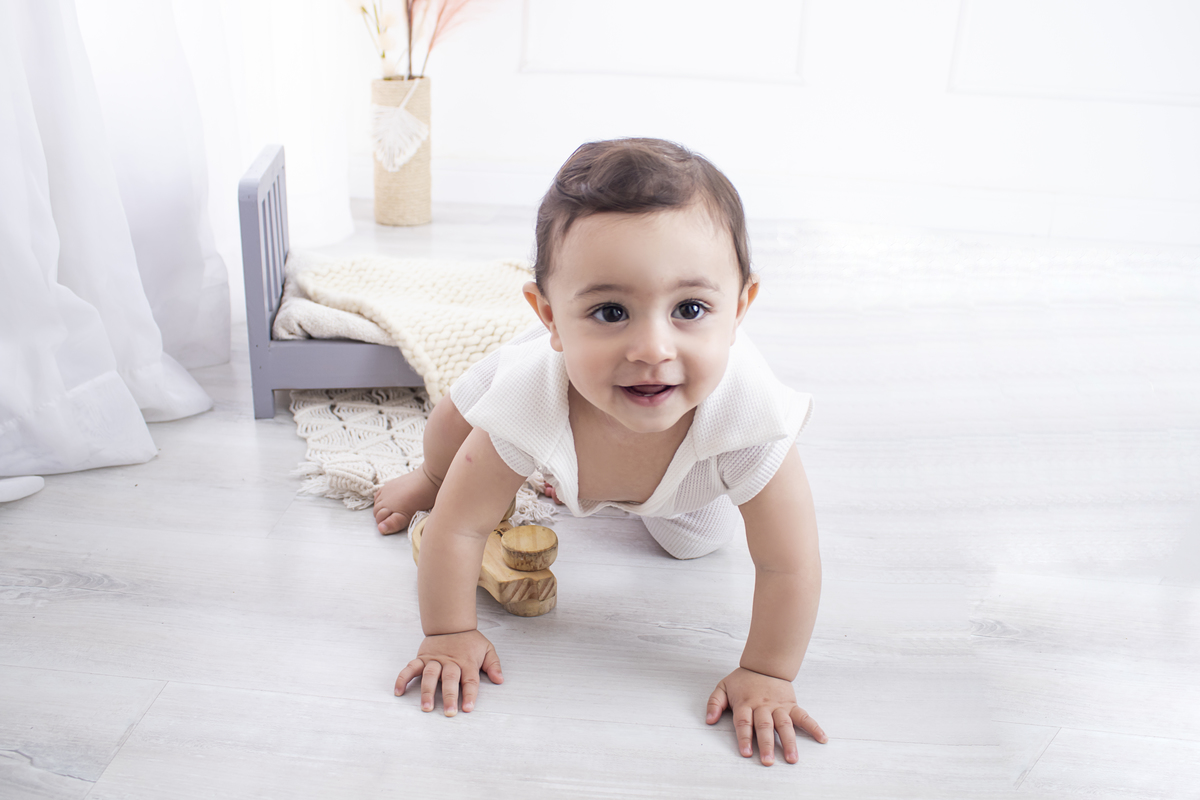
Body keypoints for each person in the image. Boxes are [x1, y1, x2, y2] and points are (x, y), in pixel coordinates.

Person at [374, 138, 827, 766]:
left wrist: (768, 673)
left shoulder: (749, 423)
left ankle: (624, 485)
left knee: (694, 543)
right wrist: (449, 634)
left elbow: (789, 566)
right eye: (611, 311)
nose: (652, 347)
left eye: (690, 309)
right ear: (551, 316)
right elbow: (459, 527)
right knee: (458, 419)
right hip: (559, 408)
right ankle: (429, 472)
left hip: (685, 477)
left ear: (740, 308)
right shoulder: (532, 394)